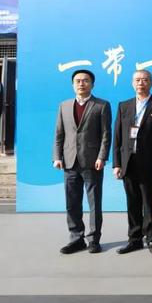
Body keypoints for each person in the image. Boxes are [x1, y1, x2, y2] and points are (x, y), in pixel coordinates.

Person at [53, 69, 111, 254]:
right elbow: (59, 134)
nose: (81, 84)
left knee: (94, 203)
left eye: (85, 80)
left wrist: (102, 157)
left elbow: (106, 134)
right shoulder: (64, 105)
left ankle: (94, 240)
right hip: (69, 162)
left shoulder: (101, 105)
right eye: (77, 81)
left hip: (92, 162)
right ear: (73, 85)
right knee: (72, 203)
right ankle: (76, 239)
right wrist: (57, 157)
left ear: (92, 84)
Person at [112, 69, 152, 254]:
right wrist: (117, 164)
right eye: (137, 80)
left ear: (151, 83)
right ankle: (134, 239)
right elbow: (117, 137)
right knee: (132, 202)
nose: (141, 83)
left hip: (150, 165)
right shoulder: (124, 106)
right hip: (128, 163)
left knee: (150, 202)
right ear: (132, 83)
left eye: (145, 80)